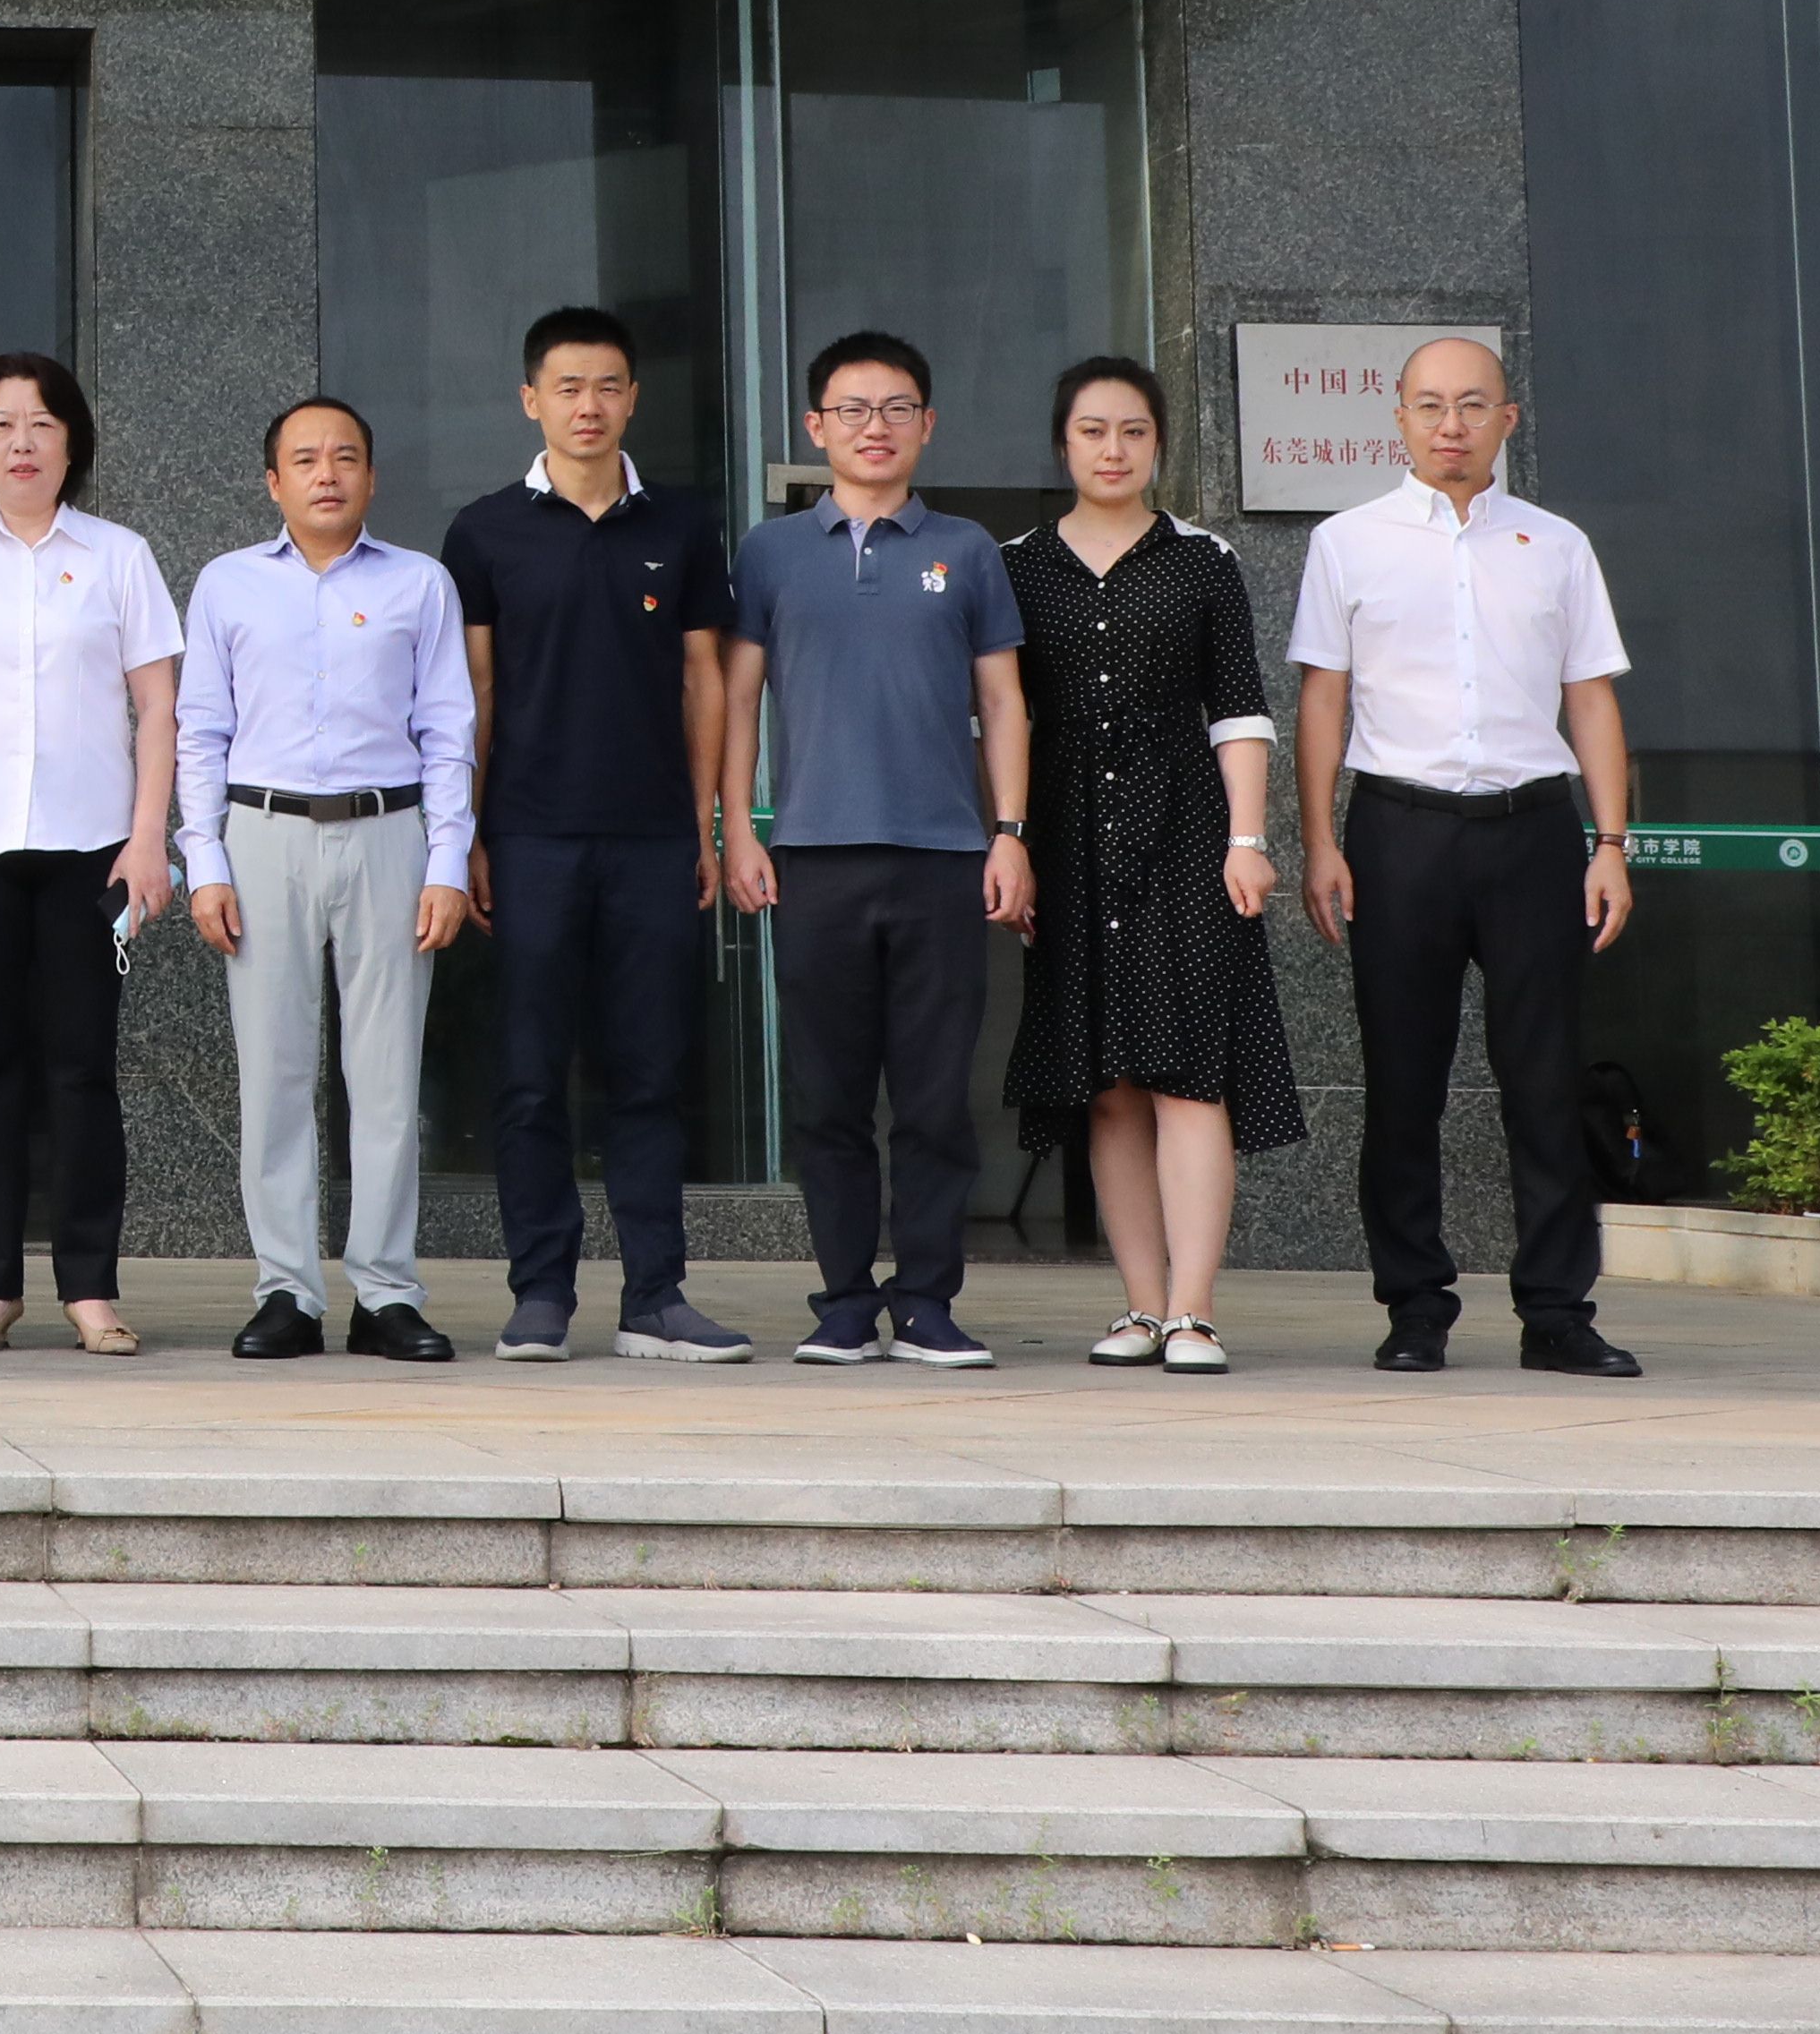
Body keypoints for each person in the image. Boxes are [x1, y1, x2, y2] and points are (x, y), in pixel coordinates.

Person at [1295, 333, 1643, 1380]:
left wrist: (1610, 842)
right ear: (1398, 417)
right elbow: (1323, 699)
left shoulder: (1558, 545)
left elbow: (1591, 697)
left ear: (1507, 418)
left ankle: (1557, 1312)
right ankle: (1414, 1306)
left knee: (1544, 1080)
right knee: (1404, 1082)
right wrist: (1319, 841)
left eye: (1474, 404)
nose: (1452, 425)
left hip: (1534, 831)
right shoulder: (1346, 543)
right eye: (1432, 405)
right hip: (1398, 831)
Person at [437, 307, 753, 1365]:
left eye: (608, 385)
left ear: (633, 399)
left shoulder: (682, 522)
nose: (588, 405)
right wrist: (469, 831)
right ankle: (540, 1292)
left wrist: (708, 824)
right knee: (530, 1075)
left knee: (650, 1070)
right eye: (568, 387)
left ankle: (656, 1294)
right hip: (529, 836)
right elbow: (474, 692)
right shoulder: (485, 531)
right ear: (531, 398)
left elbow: (704, 679)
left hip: (654, 838)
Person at [721, 329, 1034, 1372]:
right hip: (813, 857)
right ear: (816, 427)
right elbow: (738, 699)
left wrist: (1010, 833)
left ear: (926, 424)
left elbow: (1003, 701)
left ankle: (929, 1300)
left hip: (944, 856)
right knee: (830, 1099)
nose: (875, 427)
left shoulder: (970, 549)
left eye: (897, 408)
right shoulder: (770, 552)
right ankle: (846, 1302)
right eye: (852, 410)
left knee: (937, 1100)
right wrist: (739, 826)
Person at [1004, 357, 1299, 1378]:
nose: (1114, 449)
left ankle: (1194, 1311)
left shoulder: (1203, 559)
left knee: (1189, 1076)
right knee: (1110, 1086)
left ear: (1159, 442)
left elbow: (1240, 706)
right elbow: (1001, 717)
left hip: (1185, 830)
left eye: (1133, 430)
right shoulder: (1016, 566)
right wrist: (1009, 840)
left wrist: (1248, 840)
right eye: (1093, 431)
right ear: (1063, 443)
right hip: (1066, 836)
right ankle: (1139, 1304)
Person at [0, 351, 176, 1357]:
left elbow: (158, 706)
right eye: (3, 425)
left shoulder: (119, 557)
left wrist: (149, 837)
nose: (23, 443)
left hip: (92, 850)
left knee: (83, 1066)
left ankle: (90, 1286)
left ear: (72, 444)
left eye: (43, 425)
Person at [176, 397, 476, 1363]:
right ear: (273, 482)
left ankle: (385, 1293)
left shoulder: (420, 584)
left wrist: (446, 861)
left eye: (346, 456)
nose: (327, 474)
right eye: (304, 459)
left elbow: (448, 730)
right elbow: (199, 732)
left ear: (372, 477)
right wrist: (205, 861)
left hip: (387, 835)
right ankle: (287, 1292)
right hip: (262, 836)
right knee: (273, 1075)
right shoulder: (227, 585)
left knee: (385, 1078)